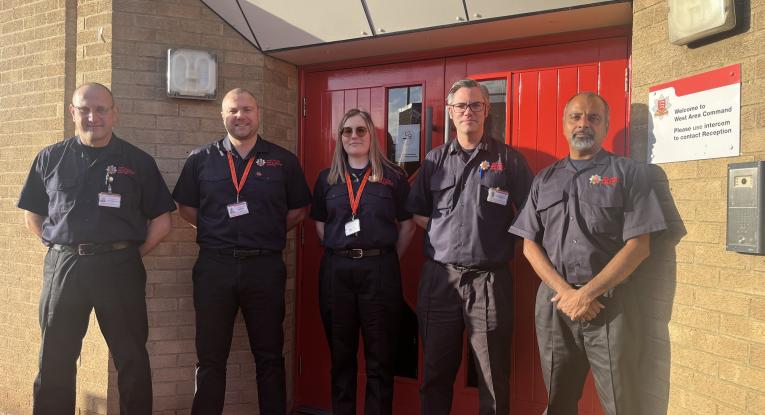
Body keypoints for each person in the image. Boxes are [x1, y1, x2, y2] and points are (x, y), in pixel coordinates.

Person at [17, 82, 175, 414]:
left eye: (101, 109)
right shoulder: (50, 157)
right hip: (64, 268)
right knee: (55, 357)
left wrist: (126, 253)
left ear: (114, 114)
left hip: (120, 268)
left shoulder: (138, 161)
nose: (93, 116)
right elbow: (33, 214)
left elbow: (162, 222)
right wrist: (59, 246)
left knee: (131, 356)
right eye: (85, 109)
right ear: (72, 113)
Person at [509, 92, 667, 414]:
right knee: (558, 401)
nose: (584, 124)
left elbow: (640, 245)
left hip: (610, 305)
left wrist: (587, 294)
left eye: (593, 118)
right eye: (576, 117)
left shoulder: (628, 173)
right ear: (565, 125)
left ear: (606, 125)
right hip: (556, 305)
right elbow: (529, 244)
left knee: (622, 403)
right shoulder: (545, 179)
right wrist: (567, 292)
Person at [172, 88, 311, 415]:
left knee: (270, 356)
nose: (240, 116)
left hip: (264, 267)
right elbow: (186, 207)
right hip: (214, 267)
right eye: (233, 110)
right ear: (223, 115)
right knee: (209, 356)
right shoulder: (200, 160)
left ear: (257, 113)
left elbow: (299, 211)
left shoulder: (283, 161)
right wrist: (215, 231)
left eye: (247, 109)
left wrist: (266, 232)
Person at [406, 79, 534, 415]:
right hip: (440, 281)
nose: (468, 112)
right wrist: (443, 230)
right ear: (450, 113)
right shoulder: (434, 160)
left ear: (486, 110)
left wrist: (498, 238)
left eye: (475, 105)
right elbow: (416, 211)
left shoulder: (508, 160)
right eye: (461, 106)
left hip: (489, 282)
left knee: (493, 377)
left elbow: (531, 215)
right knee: (435, 374)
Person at [310, 109, 415, 415]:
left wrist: (386, 258)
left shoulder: (393, 176)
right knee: (341, 356)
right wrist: (341, 248)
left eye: (360, 131)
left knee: (380, 358)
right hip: (336, 272)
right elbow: (320, 224)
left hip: (379, 271)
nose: (353, 137)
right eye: (347, 131)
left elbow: (407, 225)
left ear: (372, 136)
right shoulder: (326, 179)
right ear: (339, 138)